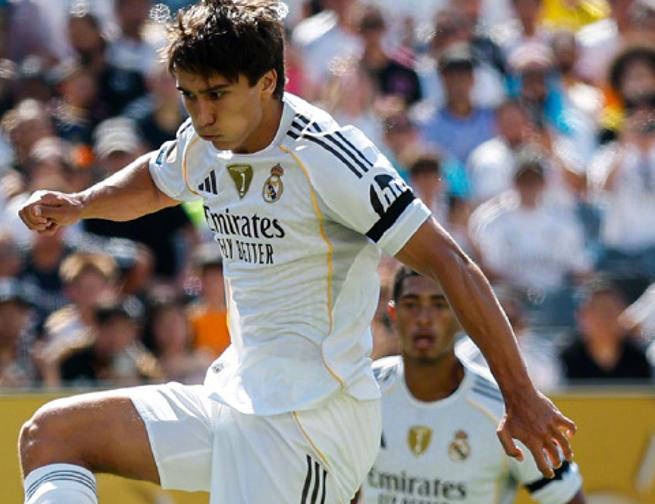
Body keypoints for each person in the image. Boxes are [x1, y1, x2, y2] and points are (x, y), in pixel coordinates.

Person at [16, 1, 576, 503]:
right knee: (52, 436)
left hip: (312, 423)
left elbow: (450, 263)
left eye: (216, 95)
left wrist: (520, 395)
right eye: (188, 95)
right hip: (235, 399)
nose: (201, 114)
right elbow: (158, 181)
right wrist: (81, 203)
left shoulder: (329, 157)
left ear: (267, 83)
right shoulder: (207, 139)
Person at [357, 267, 585, 503]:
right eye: (411, 304)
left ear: (461, 315)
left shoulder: (506, 410)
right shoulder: (365, 389)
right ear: (393, 314)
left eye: (439, 304)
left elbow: (568, 497)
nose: (424, 318)